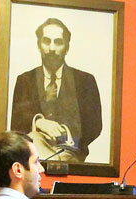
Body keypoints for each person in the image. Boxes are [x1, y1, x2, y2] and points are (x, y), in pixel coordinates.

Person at [10, 18, 102, 162]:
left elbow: (94, 125)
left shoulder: (85, 81)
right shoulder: (25, 80)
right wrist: (39, 122)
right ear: (39, 45)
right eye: (46, 41)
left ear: (67, 48)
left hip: (72, 154)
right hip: (35, 156)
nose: (52, 48)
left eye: (58, 42)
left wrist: (65, 133)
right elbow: (16, 123)